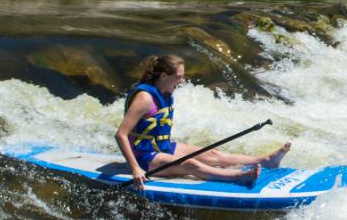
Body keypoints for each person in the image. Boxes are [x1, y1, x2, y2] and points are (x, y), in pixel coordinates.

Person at [115, 55, 291, 190]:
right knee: (191, 165)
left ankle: (266, 160)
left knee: (212, 155)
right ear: (163, 75)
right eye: (179, 76)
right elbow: (121, 135)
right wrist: (135, 168)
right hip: (143, 156)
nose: (182, 80)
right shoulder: (144, 98)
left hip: (162, 146)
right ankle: (239, 176)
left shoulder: (166, 93)